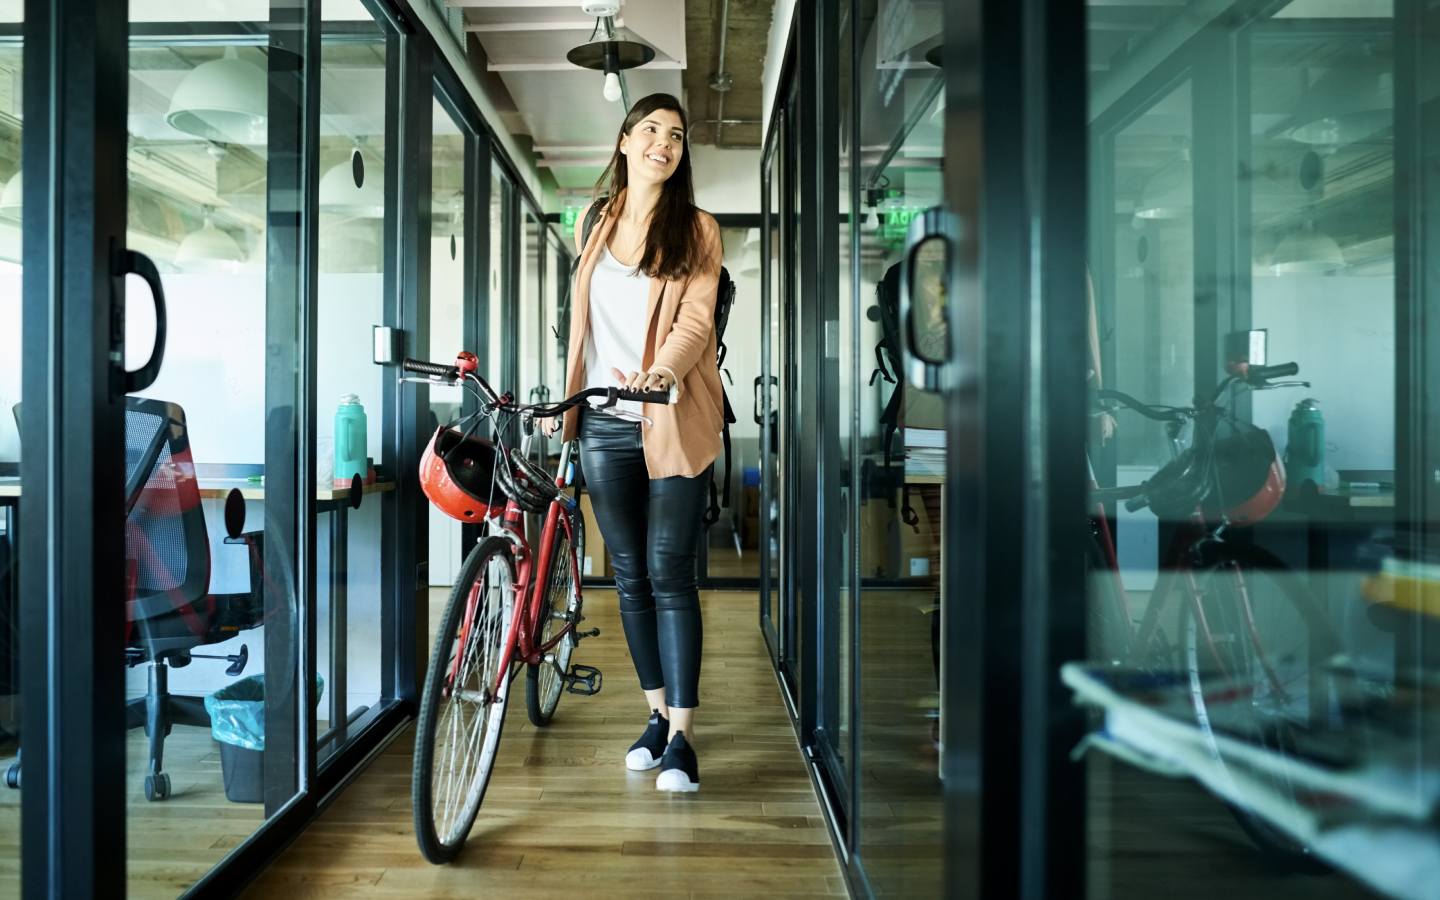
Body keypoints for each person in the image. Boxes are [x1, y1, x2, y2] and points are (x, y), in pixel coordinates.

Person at [542, 93, 724, 793]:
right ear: (624, 141)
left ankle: (682, 737)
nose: (663, 142)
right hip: (602, 423)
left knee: (670, 569)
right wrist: (565, 401)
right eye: (650, 129)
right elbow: (582, 323)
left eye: (675, 135)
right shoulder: (594, 220)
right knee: (627, 572)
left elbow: (696, 321)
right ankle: (653, 715)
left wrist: (658, 373)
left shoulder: (698, 229)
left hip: (668, 414)